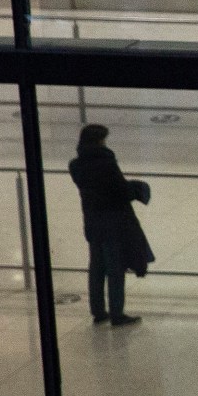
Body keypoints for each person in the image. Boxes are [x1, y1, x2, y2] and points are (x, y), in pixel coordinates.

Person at [66, 123, 151, 326]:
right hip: (113, 222)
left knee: (96, 266)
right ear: (99, 141)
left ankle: (98, 310)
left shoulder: (75, 165)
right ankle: (117, 312)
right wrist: (137, 189)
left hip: (92, 222)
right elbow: (119, 190)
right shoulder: (106, 163)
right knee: (115, 268)